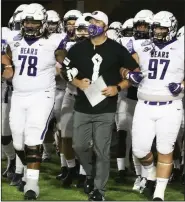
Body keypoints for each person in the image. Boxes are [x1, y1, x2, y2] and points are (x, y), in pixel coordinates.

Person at [61, 11, 139, 201]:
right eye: (90, 21)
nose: (92, 24)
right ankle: (90, 173)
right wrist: (77, 82)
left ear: (105, 26)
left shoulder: (117, 49)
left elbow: (135, 73)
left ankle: (99, 191)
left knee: (102, 151)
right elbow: (65, 71)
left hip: (106, 107)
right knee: (79, 146)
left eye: (96, 22)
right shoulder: (77, 49)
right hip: (81, 105)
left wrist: (118, 87)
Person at [3, 3, 66, 200]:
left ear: (44, 23)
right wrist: (6, 66)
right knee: (19, 143)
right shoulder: (14, 40)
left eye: (34, 22)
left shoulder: (54, 41)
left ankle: (32, 184)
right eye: (27, 22)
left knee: (32, 140)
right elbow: (5, 55)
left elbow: (64, 60)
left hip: (42, 95)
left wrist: (66, 67)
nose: (29, 25)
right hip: (19, 95)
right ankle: (27, 174)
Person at [122, 11, 184, 201]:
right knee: (139, 149)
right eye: (156, 27)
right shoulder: (142, 45)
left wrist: (182, 86)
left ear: (171, 28)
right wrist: (128, 75)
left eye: (162, 28)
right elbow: (123, 66)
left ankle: (159, 193)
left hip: (170, 105)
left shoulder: (182, 47)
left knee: (165, 149)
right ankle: (150, 172)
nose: (158, 32)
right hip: (144, 104)